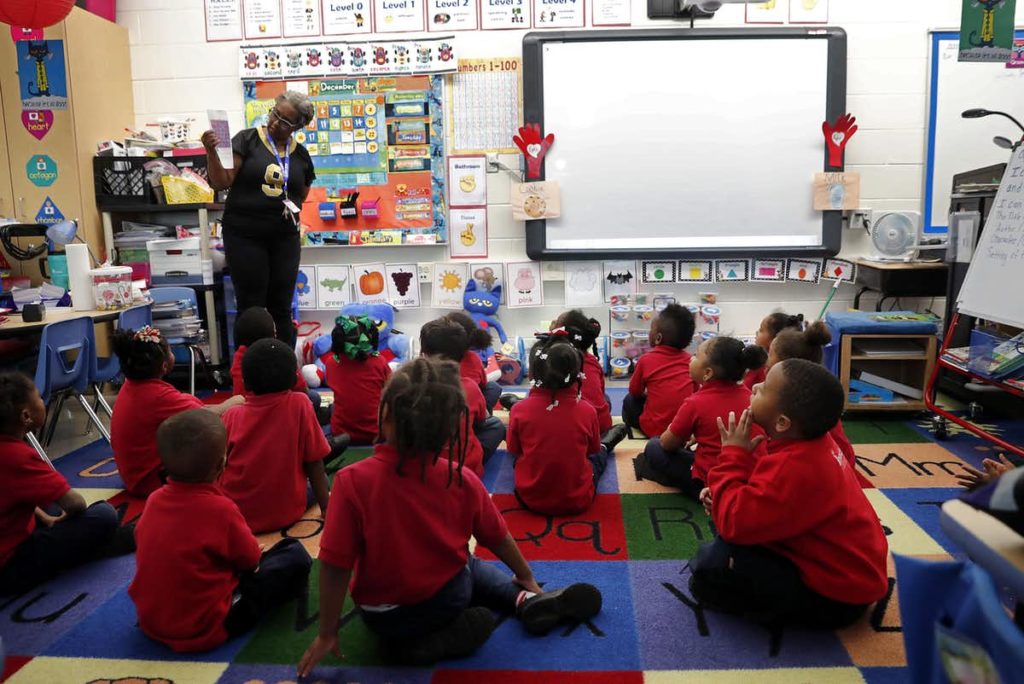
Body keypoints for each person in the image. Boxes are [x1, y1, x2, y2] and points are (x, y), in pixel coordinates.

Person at [297, 359, 602, 672]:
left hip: (382, 616)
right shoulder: (461, 478)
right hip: (448, 601)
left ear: (384, 415)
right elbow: (497, 537)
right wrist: (525, 576)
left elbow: (335, 565)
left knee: (450, 578)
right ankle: (521, 600)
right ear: (450, 430)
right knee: (470, 564)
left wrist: (327, 632)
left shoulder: (350, 482)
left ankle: (420, 645)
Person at [691, 360, 889, 629]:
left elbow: (738, 525)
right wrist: (728, 488)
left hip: (838, 597)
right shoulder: (812, 441)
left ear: (782, 422)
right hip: (846, 570)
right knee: (723, 520)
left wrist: (732, 457)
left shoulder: (798, 466)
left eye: (763, 389)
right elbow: (774, 491)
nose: (755, 385)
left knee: (707, 573)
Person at [130, 409, 312, 652]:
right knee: (294, 554)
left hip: (151, 620)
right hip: (207, 624)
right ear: (221, 464)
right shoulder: (221, 508)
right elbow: (251, 561)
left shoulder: (153, 501)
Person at [0, 372, 134, 596]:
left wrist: (45, 518)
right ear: (26, 416)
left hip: (10, 530)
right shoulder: (18, 457)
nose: (44, 402)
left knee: (49, 507)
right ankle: (90, 548)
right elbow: (75, 504)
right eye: (40, 400)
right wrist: (57, 519)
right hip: (10, 567)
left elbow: (13, 494)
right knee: (103, 514)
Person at [202, 91, 317, 347]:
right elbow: (221, 181)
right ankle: (249, 374)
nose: (275, 122)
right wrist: (211, 152)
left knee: (281, 307)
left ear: (298, 126)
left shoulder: (301, 155)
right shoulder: (247, 140)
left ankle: (284, 372)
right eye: (275, 114)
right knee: (252, 306)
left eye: (285, 121)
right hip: (245, 235)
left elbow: (302, 193)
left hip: (284, 238)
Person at [110, 326, 243, 497]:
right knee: (221, 429)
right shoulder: (157, 396)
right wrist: (236, 400)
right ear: (164, 366)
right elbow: (207, 417)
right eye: (170, 351)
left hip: (135, 475)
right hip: (150, 481)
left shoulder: (133, 386)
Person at [220, 339, 334, 533]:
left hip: (237, 514)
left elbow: (219, 467)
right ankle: (328, 445)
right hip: (285, 513)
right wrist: (326, 508)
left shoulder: (231, 415)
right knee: (316, 480)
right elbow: (314, 463)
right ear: (293, 378)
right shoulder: (300, 404)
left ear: (245, 381)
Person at [636, 336, 765, 497]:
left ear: (707, 373)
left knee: (654, 447)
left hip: (712, 482)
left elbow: (667, 444)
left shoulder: (695, 402)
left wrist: (673, 431)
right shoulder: (750, 397)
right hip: (752, 476)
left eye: (696, 355)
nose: (691, 358)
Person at [507, 335, 620, 516]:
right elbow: (591, 450)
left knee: (521, 456)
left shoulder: (519, 411)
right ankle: (607, 444)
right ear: (578, 375)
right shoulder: (587, 411)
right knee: (598, 455)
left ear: (531, 374)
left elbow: (513, 449)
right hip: (578, 500)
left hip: (528, 499)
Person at [500, 310, 628, 448]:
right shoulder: (591, 362)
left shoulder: (552, 362)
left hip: (560, 422)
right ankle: (604, 445)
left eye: (556, 322)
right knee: (605, 399)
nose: (552, 324)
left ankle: (520, 407)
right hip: (589, 426)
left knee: (536, 404)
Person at [766, 321, 867, 486]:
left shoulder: (798, 406)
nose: (766, 362)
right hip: (840, 467)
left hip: (829, 475)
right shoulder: (813, 394)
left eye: (770, 354)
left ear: (787, 367)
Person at [419, 318, 505, 478]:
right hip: (465, 471)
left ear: (424, 353)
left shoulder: (408, 385)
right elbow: (481, 419)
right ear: (462, 353)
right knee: (495, 426)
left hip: (419, 472)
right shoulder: (469, 387)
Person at [622, 304, 697, 438]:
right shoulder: (691, 361)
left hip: (654, 429)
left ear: (658, 338)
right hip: (684, 430)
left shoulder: (646, 360)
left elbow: (634, 391)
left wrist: (648, 394)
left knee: (629, 400)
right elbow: (696, 392)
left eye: (651, 329)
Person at [230, 306, 323, 412]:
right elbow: (300, 386)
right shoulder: (280, 353)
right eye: (274, 332)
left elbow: (239, 396)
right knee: (313, 397)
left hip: (252, 410)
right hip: (281, 409)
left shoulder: (240, 356)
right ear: (272, 335)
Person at [323, 315, 392, 444]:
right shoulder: (380, 362)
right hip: (377, 434)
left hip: (341, 434)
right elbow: (391, 393)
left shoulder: (331, 363)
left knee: (332, 408)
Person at [445, 311, 501, 413]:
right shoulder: (473, 358)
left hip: (446, 408)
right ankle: (484, 414)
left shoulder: (438, 358)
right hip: (470, 408)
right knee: (493, 387)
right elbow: (483, 383)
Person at [743, 312, 803, 389]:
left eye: (761, 330)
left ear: (775, 339)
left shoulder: (758, 364)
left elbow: (745, 389)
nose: (757, 332)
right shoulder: (791, 367)